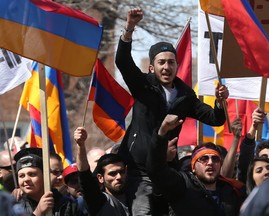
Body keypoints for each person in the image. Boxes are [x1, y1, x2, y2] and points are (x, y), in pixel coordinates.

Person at [115, 7, 229, 215]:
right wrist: (129, 28)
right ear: (152, 67)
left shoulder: (185, 95)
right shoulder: (143, 85)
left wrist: (220, 102)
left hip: (168, 169)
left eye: (171, 62)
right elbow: (122, 61)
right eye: (161, 62)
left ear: (177, 65)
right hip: (140, 171)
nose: (166, 67)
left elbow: (215, 118)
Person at [146, 114, 244, 215]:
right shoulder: (182, 184)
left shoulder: (231, 191)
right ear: (193, 167)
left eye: (215, 159)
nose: (210, 162)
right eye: (203, 159)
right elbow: (155, 170)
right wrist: (162, 133)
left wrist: (242, 138)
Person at [74, 127, 129, 215]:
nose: (119, 177)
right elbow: (85, 176)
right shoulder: (99, 201)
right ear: (100, 178)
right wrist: (81, 145)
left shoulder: (139, 196)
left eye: (121, 172)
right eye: (112, 174)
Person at [14, 148, 85, 215]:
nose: (26, 179)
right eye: (21, 176)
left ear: (44, 175)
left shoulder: (68, 205)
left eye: (32, 174)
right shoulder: (13, 207)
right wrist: (38, 213)